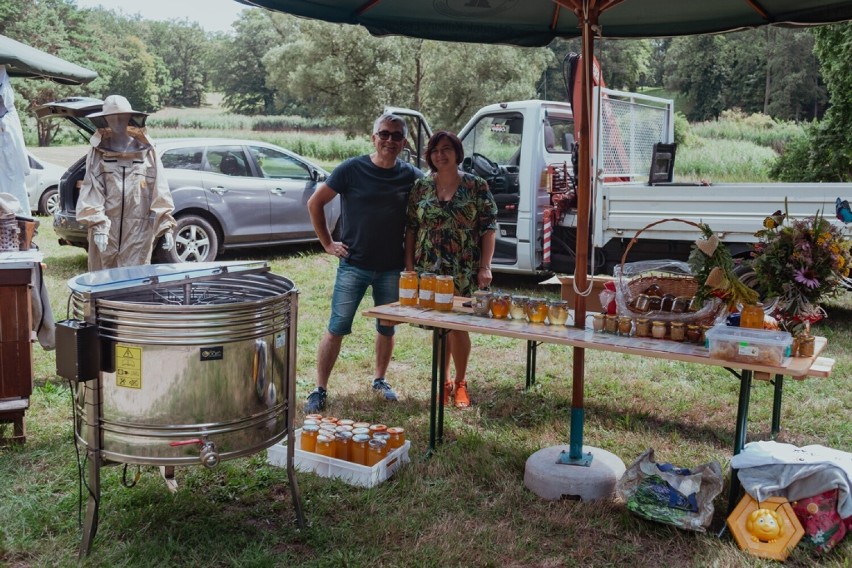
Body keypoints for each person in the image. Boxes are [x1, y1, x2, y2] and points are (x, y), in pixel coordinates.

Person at [304, 112, 423, 413]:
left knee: (387, 327)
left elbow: (434, 199)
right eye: (384, 134)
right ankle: (319, 389)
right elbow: (315, 203)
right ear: (374, 137)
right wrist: (328, 243)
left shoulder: (410, 175)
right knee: (337, 327)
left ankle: (380, 380)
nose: (390, 140)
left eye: (396, 135)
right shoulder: (351, 169)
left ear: (404, 142)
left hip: (391, 267)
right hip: (353, 264)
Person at [405, 130, 497, 408]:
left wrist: (485, 266)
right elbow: (410, 227)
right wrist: (410, 267)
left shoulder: (476, 186)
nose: (440, 154)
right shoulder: (421, 186)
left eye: (446, 149)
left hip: (464, 268)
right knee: (438, 327)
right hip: (428, 268)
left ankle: (460, 384)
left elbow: (488, 227)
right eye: (434, 150)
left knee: (459, 326)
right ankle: (442, 383)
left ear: (458, 153)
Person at [76, 95, 176, 271]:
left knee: (133, 283)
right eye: (112, 117)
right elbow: (92, 189)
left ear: (129, 117)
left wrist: (166, 226)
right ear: (105, 119)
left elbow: (160, 189)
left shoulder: (147, 151)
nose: (118, 121)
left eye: (122, 116)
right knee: (102, 282)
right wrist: (98, 225)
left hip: (138, 232)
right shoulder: (98, 151)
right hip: (106, 232)